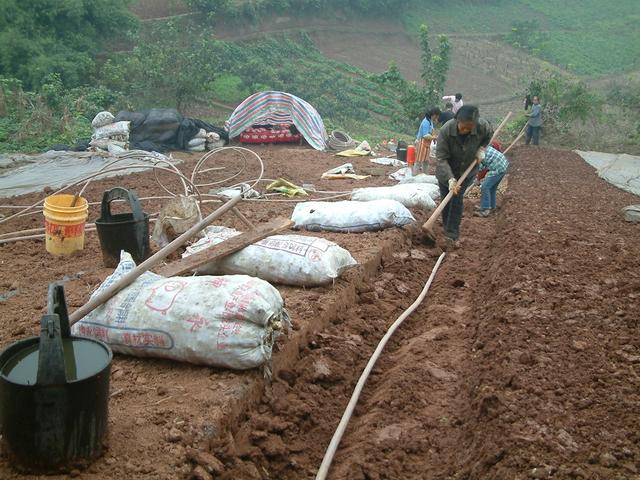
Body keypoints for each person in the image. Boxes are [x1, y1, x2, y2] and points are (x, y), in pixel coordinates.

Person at [435, 105, 492, 247]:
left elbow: (489, 134)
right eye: (464, 127)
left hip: (466, 172)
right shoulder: (446, 131)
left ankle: (452, 235)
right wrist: (450, 179)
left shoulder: (482, 126)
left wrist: (482, 148)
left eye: (469, 128)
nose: (466, 130)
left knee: (456, 200)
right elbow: (441, 158)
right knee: (446, 201)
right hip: (446, 172)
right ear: (457, 120)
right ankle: (446, 229)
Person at [474, 145, 509, 217]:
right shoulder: (482, 147)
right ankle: (492, 207)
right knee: (492, 188)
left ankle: (485, 209)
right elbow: (484, 165)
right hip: (503, 165)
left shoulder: (477, 152)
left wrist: (477, 179)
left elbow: (480, 168)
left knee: (485, 187)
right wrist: (478, 178)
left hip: (498, 168)